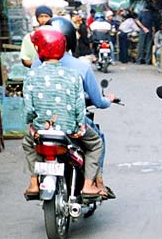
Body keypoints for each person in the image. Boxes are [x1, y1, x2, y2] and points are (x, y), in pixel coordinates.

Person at [21, 27, 103, 201]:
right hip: (69, 129)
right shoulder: (73, 75)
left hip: (42, 130)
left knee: (28, 144)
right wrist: (80, 126)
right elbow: (79, 106)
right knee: (95, 143)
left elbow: (28, 109)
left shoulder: (31, 75)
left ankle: (34, 183)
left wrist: (32, 126)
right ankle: (88, 185)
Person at [45, 15, 119, 198]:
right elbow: (98, 101)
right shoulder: (80, 67)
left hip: (44, 124)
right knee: (97, 141)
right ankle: (95, 183)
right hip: (72, 123)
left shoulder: (37, 65)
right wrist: (108, 100)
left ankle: (33, 182)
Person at [135, 0, 155, 66]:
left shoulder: (142, 13)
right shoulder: (150, 13)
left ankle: (140, 60)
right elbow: (153, 25)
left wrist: (143, 28)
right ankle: (146, 60)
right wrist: (145, 28)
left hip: (144, 30)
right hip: (147, 30)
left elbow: (137, 20)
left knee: (142, 45)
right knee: (147, 46)